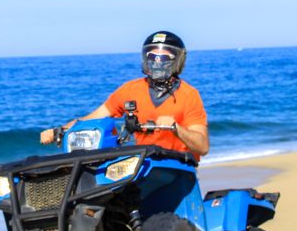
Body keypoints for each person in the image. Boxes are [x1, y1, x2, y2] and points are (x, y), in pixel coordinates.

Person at [40, 31, 209, 160]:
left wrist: (176, 129)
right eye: (152, 57)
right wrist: (60, 130)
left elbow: (202, 147)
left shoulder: (189, 95)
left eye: (164, 58)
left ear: (176, 61)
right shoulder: (130, 90)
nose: (157, 62)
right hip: (145, 162)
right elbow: (91, 119)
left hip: (179, 165)